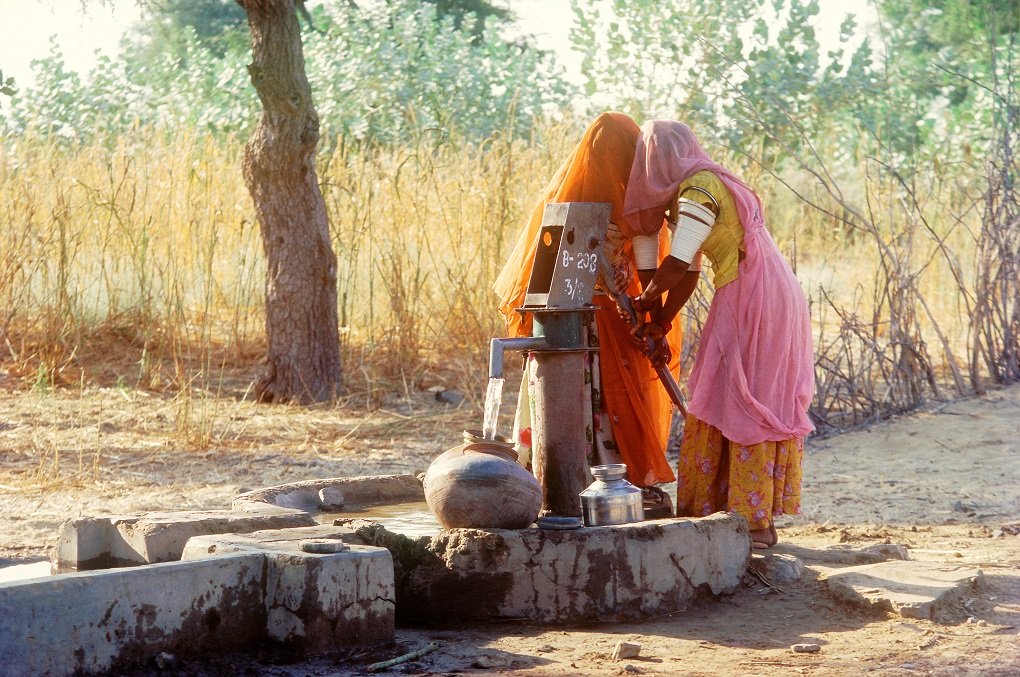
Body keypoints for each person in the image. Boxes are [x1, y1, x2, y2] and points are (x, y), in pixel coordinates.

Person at [621, 119, 815, 548]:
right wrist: (662, 317)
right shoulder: (705, 184)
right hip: (767, 288)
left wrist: (644, 302)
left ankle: (753, 522)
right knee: (738, 389)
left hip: (751, 292)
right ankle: (733, 512)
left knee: (738, 393)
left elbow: (677, 263)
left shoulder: (698, 188)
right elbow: (688, 274)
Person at [492, 112, 680, 501]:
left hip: (572, 317)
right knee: (600, 392)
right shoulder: (617, 202)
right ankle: (608, 481)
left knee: (581, 393)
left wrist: (647, 316)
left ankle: (563, 478)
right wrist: (648, 315)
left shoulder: (569, 199)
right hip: (594, 319)